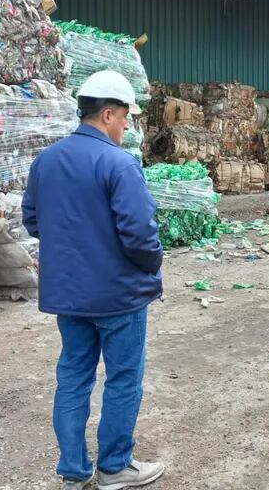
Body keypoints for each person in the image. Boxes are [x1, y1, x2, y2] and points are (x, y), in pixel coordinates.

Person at [23, 70, 166, 490]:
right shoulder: (118, 163)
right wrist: (152, 265)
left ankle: (73, 472)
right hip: (118, 297)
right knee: (122, 379)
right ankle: (115, 468)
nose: (127, 126)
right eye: (125, 118)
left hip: (68, 297)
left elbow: (33, 221)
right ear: (107, 114)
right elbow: (140, 234)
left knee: (73, 378)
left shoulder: (46, 160)